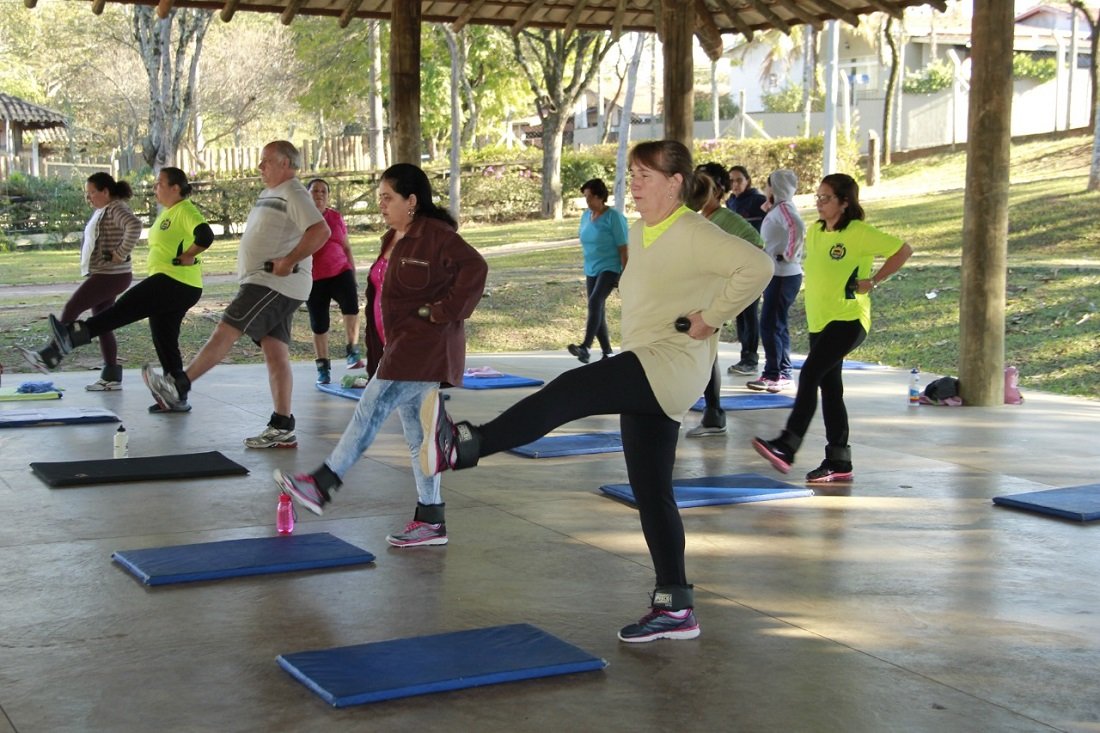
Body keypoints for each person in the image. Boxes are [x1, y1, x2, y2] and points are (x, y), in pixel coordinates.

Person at [415, 140, 772, 643]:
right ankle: (675, 605)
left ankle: (466, 444)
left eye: (646, 174)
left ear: (676, 183)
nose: (635, 183)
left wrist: (711, 317)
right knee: (652, 492)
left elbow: (758, 267)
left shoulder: (693, 230)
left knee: (569, 390)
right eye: (632, 173)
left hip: (667, 363)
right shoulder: (648, 229)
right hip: (652, 363)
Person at [275, 163, 487, 548]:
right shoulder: (394, 237)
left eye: (388, 198)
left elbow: (476, 267)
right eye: (379, 199)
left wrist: (444, 310)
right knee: (419, 437)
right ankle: (431, 518)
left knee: (369, 408)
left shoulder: (436, 236)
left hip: (421, 349)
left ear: (412, 201)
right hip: (398, 347)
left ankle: (323, 483)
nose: (381, 205)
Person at [142, 140, 330, 448]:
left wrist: (288, 261)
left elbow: (320, 231)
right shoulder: (273, 192)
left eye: (266, 161)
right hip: (265, 282)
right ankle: (282, 425)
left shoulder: (294, 191)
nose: (260, 167)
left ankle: (179, 386)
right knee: (275, 353)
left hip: (273, 282)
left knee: (226, 329)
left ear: (285, 163)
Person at [752, 173, 912, 483]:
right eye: (818, 197)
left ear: (844, 202)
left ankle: (788, 444)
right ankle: (839, 461)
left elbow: (903, 250)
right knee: (831, 390)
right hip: (820, 322)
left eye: (826, 198)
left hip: (849, 319)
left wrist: (874, 281)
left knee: (811, 374)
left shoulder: (858, 232)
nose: (820, 203)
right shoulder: (814, 231)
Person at [24, 168, 213, 413]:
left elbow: (205, 235)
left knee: (122, 309)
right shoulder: (170, 212)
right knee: (164, 339)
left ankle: (72, 336)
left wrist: (189, 255)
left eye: (159, 183)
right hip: (178, 285)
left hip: (174, 281)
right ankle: (176, 393)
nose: (155, 187)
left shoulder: (186, 210)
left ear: (175, 187)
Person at [20, 173, 141, 389]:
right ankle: (111, 377)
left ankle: (49, 356)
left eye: (91, 193)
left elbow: (134, 226)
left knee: (71, 308)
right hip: (107, 275)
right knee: (103, 324)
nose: (89, 198)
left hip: (111, 275)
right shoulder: (105, 209)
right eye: (87, 195)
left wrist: (120, 253)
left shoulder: (115, 208)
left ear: (105, 191)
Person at [683, 165, 766, 438]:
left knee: (708, 355)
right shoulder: (699, 219)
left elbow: (757, 247)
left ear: (716, 192)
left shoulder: (725, 219)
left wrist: (729, 278)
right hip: (701, 296)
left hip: (713, 299)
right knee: (705, 355)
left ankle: (714, 413)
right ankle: (712, 413)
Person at [747, 169, 805, 395]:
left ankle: (779, 374)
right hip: (777, 274)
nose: (765, 189)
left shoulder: (785, 208)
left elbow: (798, 228)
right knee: (774, 324)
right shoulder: (777, 208)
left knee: (771, 325)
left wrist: (790, 255)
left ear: (777, 187)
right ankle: (778, 372)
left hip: (784, 275)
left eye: (768, 185)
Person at [305, 178, 363, 385]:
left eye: (323, 191)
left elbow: (346, 247)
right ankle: (323, 368)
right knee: (319, 325)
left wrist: (353, 273)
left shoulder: (335, 217)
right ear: (307, 194)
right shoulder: (300, 219)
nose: (319, 194)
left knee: (351, 307)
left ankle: (352, 351)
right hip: (313, 278)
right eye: (315, 191)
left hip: (340, 270)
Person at [566, 178, 628, 363]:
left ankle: (585, 347)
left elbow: (624, 248)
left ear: (601, 197)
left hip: (610, 267)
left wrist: (625, 274)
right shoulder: (586, 216)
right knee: (597, 307)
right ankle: (607, 352)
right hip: (591, 268)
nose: (587, 201)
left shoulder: (614, 218)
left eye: (590, 196)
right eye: (585, 196)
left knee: (595, 302)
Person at [725, 165, 768, 376]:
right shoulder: (730, 202)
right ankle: (744, 355)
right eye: (731, 181)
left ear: (748, 181)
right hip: (735, 266)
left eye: (739, 180)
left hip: (753, 264)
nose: (735, 184)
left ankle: (751, 357)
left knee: (750, 312)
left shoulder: (757, 201)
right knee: (740, 312)